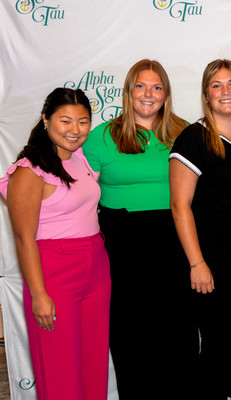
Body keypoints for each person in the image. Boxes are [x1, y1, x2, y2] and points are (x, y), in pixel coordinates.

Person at [82, 59, 196, 399]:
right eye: (141, 86)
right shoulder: (101, 136)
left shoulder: (185, 133)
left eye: (157, 87)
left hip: (176, 237)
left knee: (179, 332)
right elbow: (79, 193)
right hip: (122, 240)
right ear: (129, 91)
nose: (149, 94)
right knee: (130, 333)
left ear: (167, 93)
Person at [0, 88, 110, 400]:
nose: (75, 130)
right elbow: (23, 238)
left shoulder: (80, 158)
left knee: (93, 366)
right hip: (54, 272)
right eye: (65, 121)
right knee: (59, 368)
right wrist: (38, 295)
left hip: (96, 267)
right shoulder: (28, 171)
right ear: (46, 121)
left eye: (83, 122)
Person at [169, 59, 231, 400]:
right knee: (216, 342)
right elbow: (180, 206)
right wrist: (197, 263)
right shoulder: (194, 137)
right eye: (217, 85)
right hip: (209, 257)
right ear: (206, 95)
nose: (226, 92)